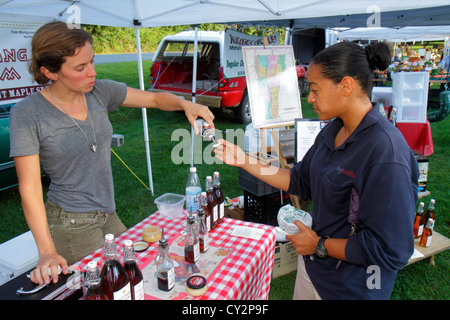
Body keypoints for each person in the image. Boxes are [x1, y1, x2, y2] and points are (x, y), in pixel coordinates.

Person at [9, 21, 215, 286]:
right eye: (81, 68)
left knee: (137, 276)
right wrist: (47, 251)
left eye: (92, 62)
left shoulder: (99, 92)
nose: (92, 72)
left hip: (108, 212)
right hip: (71, 221)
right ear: (50, 72)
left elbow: (153, 99)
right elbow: (29, 188)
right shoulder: (28, 113)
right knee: (109, 287)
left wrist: (184, 103)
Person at [214, 41, 419, 300]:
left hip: (351, 288)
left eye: (314, 89)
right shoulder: (332, 131)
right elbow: (297, 181)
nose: (309, 98)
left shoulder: (386, 154)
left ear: (345, 86)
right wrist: (244, 160)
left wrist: (320, 245)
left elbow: (392, 249)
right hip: (313, 268)